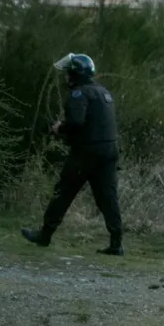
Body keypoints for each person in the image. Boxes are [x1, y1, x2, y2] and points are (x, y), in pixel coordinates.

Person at [21, 53, 123, 255]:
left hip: (86, 152)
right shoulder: (103, 92)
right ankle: (116, 243)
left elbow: (76, 121)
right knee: (108, 198)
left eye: (68, 74)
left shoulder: (80, 94)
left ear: (76, 75)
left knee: (63, 192)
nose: (66, 78)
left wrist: (60, 128)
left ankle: (45, 235)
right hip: (109, 151)